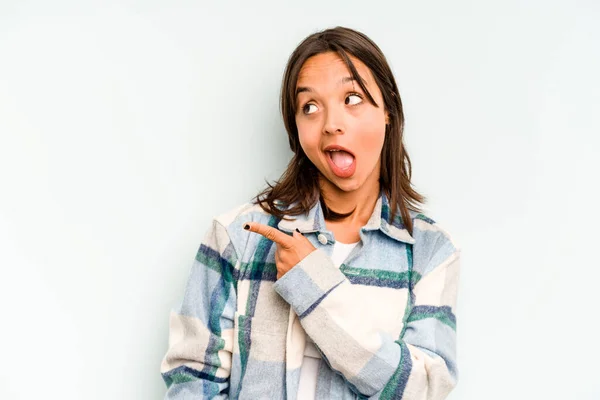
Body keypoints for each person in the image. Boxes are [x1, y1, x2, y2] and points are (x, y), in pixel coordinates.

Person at [160, 26, 461, 400]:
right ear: (296, 129)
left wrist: (315, 288)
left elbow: (422, 389)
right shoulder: (237, 235)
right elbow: (192, 376)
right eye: (311, 107)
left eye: (352, 98)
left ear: (388, 110)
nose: (332, 123)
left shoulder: (430, 252)